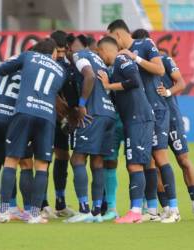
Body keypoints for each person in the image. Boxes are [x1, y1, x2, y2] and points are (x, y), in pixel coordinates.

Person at [108, 19, 181, 223]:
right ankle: (153, 209)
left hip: (156, 109)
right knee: (146, 160)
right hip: (142, 113)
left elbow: (159, 70)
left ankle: (174, 210)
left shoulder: (145, 44)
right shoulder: (120, 58)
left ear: (118, 35)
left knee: (160, 157)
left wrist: (135, 58)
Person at [133, 29, 194, 221]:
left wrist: (167, 92)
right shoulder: (135, 66)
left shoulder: (163, 60)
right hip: (153, 119)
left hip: (170, 117)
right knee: (155, 163)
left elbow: (181, 83)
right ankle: (167, 207)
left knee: (183, 160)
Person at [0, 38, 66, 224]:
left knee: (11, 160)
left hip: (24, 111)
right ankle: (34, 214)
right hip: (47, 116)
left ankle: (3, 212)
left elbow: (1, 69)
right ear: (54, 53)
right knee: (41, 165)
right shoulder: (61, 70)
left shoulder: (29, 56)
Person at [97, 36, 155, 223]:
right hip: (134, 119)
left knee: (135, 164)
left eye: (100, 53)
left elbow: (134, 81)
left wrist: (108, 85)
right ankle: (139, 210)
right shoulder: (114, 68)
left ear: (105, 51)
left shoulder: (121, 60)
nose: (100, 57)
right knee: (135, 164)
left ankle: (136, 211)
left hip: (139, 118)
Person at [64, 34, 116, 223]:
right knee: (98, 161)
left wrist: (82, 104)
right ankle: (96, 212)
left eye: (69, 49)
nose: (69, 52)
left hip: (92, 114)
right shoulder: (99, 59)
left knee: (77, 157)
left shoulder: (81, 56)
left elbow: (89, 76)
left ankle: (84, 209)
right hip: (109, 113)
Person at [0, 70, 33, 222]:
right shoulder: (30, 72)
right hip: (13, 119)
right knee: (23, 164)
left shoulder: (4, 70)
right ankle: (25, 210)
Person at [46, 30, 79, 218]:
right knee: (42, 159)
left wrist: (69, 113)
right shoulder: (43, 64)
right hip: (43, 116)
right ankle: (42, 204)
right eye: (56, 51)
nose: (59, 55)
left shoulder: (68, 66)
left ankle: (60, 203)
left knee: (63, 156)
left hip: (60, 118)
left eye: (61, 51)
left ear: (66, 49)